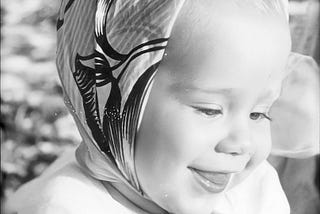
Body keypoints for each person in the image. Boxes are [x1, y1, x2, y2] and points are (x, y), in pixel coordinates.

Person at [6, 0, 319, 213]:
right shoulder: (65, 206)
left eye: (259, 113)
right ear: (110, 96)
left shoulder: (255, 193)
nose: (243, 143)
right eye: (210, 109)